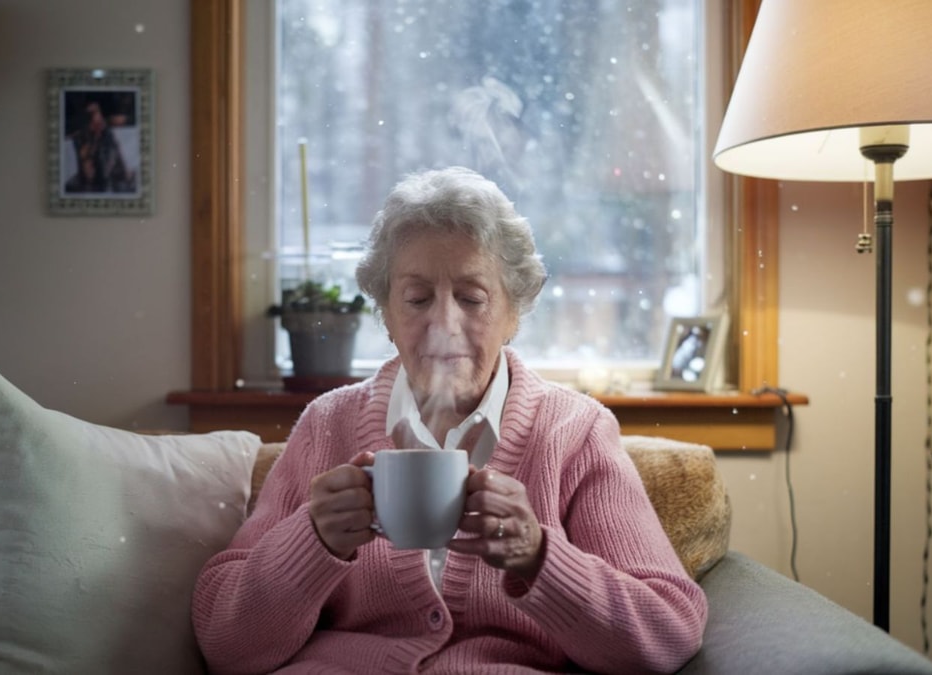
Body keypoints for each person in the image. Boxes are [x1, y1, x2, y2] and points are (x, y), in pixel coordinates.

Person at [191, 167, 707, 673]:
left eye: (471, 298)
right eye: (417, 299)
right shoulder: (327, 425)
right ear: (387, 316)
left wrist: (539, 557)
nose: (443, 323)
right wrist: (311, 542)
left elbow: (667, 635)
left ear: (513, 313)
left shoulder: (574, 433)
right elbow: (226, 645)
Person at [64, 100, 136, 194]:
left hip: (112, 179)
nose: (99, 118)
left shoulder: (107, 134)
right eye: (92, 114)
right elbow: (88, 170)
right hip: (93, 185)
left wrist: (125, 174)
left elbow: (117, 160)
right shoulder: (82, 138)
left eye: (98, 112)